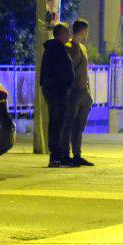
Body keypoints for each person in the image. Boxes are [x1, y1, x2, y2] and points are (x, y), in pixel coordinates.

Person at [39, 22, 76, 168]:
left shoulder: (56, 49)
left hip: (55, 90)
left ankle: (58, 155)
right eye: (67, 33)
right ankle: (55, 156)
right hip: (57, 91)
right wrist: (65, 86)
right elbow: (59, 71)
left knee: (57, 122)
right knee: (57, 123)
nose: (69, 35)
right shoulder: (56, 50)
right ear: (60, 34)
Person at [64, 19, 95, 167]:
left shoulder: (82, 47)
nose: (87, 34)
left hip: (83, 91)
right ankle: (66, 154)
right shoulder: (70, 47)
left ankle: (77, 154)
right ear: (82, 31)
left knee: (79, 125)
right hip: (74, 91)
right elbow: (68, 70)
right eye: (86, 31)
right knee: (69, 123)